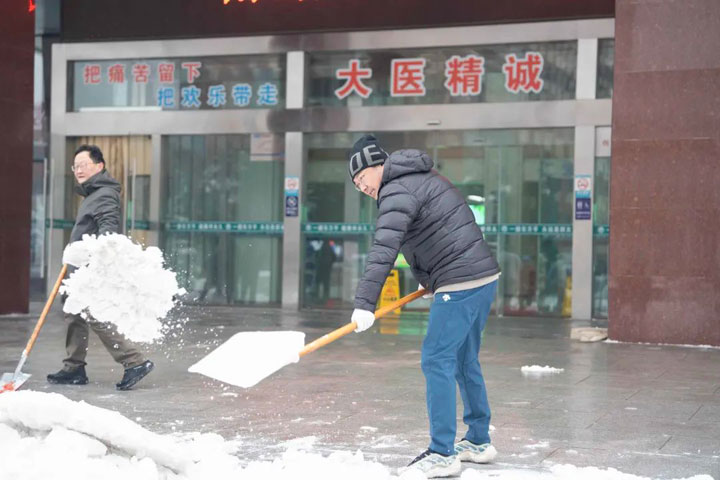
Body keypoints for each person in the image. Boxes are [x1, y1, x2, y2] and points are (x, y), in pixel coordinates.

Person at [348, 134, 501, 478]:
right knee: (462, 359)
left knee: (436, 358)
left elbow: (384, 248)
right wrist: (429, 276)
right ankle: (478, 440)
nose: (362, 188)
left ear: (377, 166)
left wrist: (364, 304)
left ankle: (442, 452)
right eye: (356, 186)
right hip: (481, 277)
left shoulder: (396, 189)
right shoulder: (418, 178)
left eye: (362, 179)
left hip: (460, 281)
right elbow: (436, 228)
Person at [47, 145, 154, 391]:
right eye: (76, 166)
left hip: (91, 267)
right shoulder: (92, 195)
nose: (79, 170)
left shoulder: (104, 193)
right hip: (79, 266)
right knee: (74, 313)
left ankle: (134, 361)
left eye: (85, 164)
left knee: (94, 313)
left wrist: (98, 255)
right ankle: (74, 367)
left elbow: (109, 226)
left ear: (100, 166)